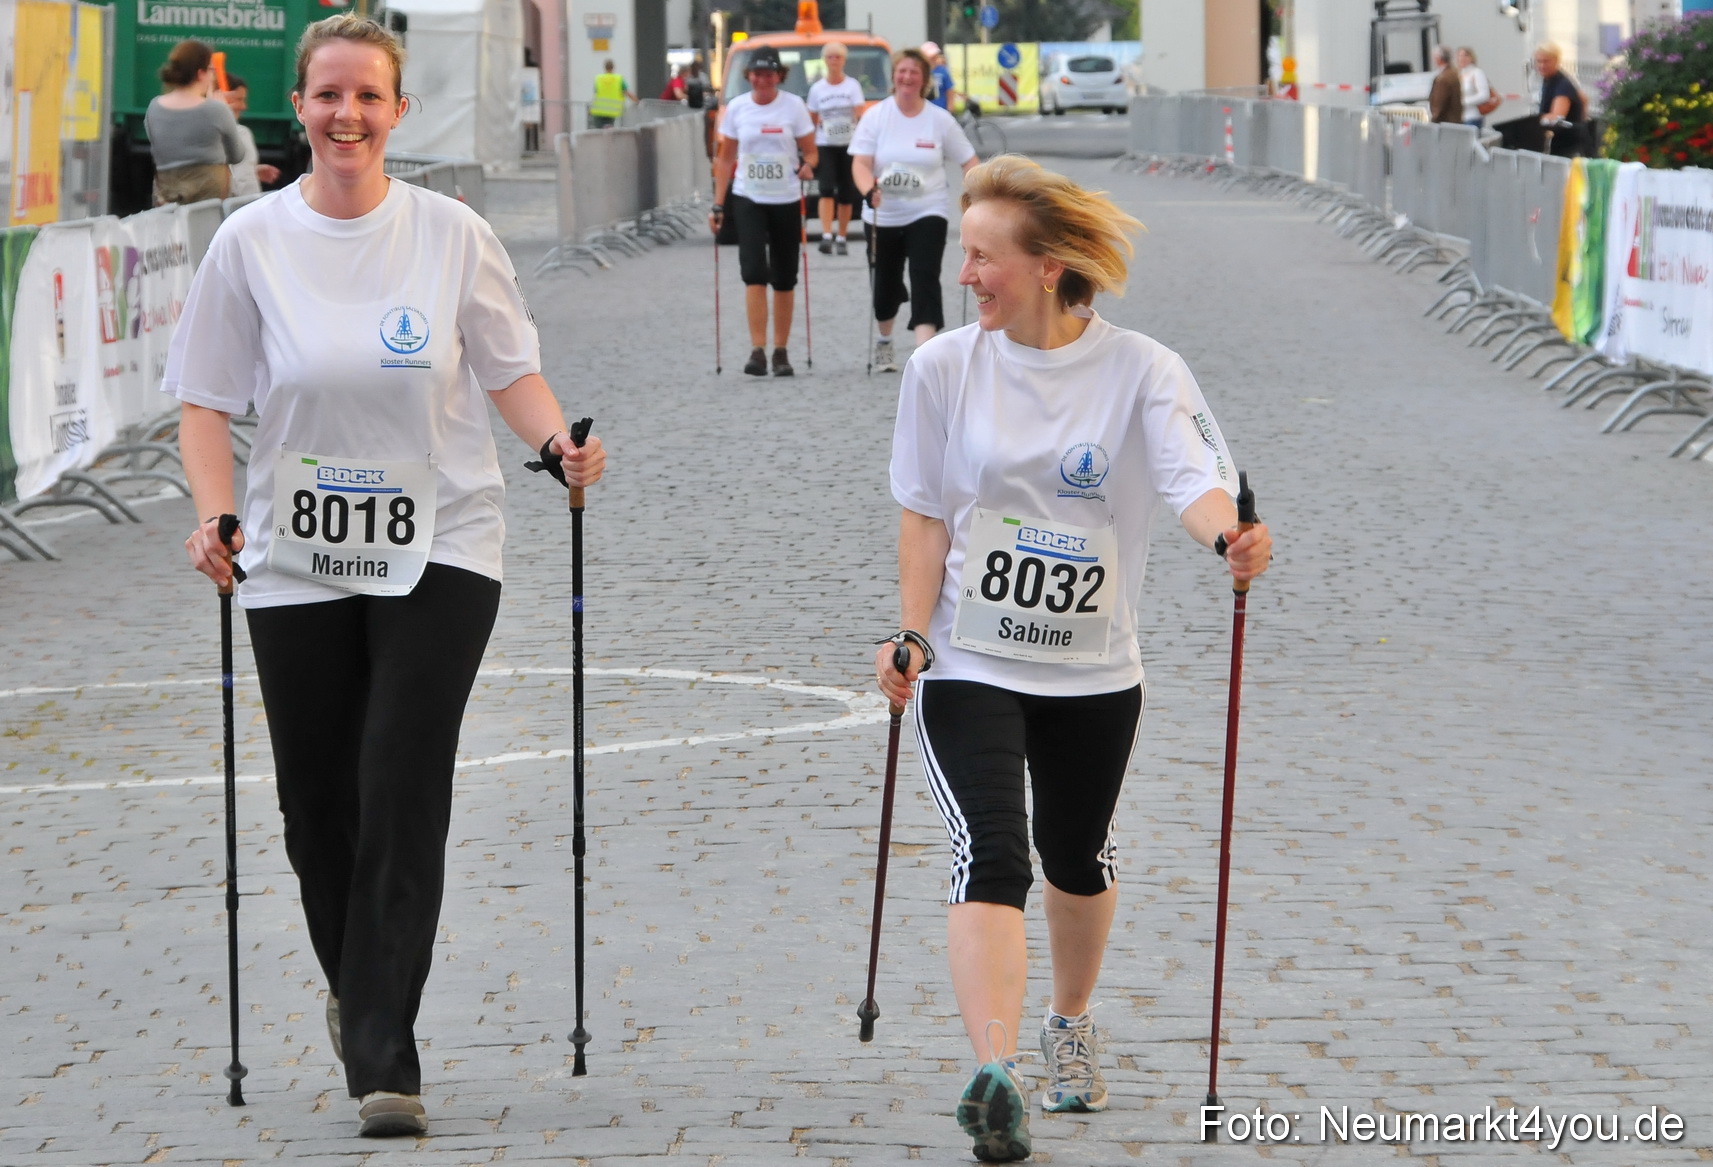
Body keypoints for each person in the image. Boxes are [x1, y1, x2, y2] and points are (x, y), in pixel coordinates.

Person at [166, 14, 606, 1139]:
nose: (346, 115)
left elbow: (514, 372)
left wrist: (559, 448)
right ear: (298, 109)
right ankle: (360, 987)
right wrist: (215, 515)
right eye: (327, 96)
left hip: (443, 542)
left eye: (368, 97)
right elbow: (207, 400)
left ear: (398, 112)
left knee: (400, 778)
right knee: (320, 810)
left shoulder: (451, 233)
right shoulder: (249, 243)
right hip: (296, 556)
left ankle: (383, 1046)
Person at [875, 155, 1272, 1162]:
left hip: (1095, 669)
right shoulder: (943, 370)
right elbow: (924, 518)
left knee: (1077, 856)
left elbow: (1194, 479)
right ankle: (996, 1072)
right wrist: (915, 629)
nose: (965, 275)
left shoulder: (1142, 368)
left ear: (1049, 265)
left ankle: (1072, 1020)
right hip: (969, 660)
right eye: (962, 254)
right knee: (992, 852)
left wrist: (1228, 538)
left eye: (982, 256)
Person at [850, 48, 976, 373]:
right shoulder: (876, 116)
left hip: (928, 209)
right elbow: (861, 164)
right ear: (893, 77)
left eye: (914, 73)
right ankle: (885, 339)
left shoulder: (939, 120)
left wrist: (978, 195)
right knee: (885, 284)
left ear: (924, 80)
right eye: (902, 72)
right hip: (884, 213)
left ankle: (924, 353)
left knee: (925, 275)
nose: (907, 78)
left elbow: (969, 161)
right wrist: (869, 190)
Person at [708, 46, 817, 377]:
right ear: (749, 76)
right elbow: (726, 159)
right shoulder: (737, 109)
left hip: (785, 197)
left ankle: (781, 351)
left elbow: (811, 153)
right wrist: (718, 203)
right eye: (756, 74)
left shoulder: (794, 107)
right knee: (754, 270)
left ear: (778, 76)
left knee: (785, 276)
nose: (762, 80)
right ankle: (757, 350)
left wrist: (808, 167)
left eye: (768, 74)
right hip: (749, 197)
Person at [145, 40, 245, 205]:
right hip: (209, 196)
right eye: (211, 70)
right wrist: (225, 114)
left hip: (166, 192)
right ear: (200, 73)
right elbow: (237, 155)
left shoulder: (154, 107)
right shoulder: (217, 110)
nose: (213, 77)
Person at [807, 41, 864, 255]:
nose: (834, 61)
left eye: (838, 57)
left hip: (848, 145)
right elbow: (811, 119)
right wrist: (808, 147)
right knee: (826, 189)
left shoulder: (852, 86)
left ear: (844, 61)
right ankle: (826, 234)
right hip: (826, 144)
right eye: (830, 57)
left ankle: (841, 235)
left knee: (847, 192)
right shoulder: (817, 89)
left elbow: (859, 115)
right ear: (824, 60)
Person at [217, 75, 283, 197]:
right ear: (222, 98)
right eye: (239, 99)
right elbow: (241, 180)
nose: (244, 106)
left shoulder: (241, 133)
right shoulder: (239, 133)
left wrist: (253, 171)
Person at [1534, 43, 1587, 157]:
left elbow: (1557, 116)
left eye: (1546, 61)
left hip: (1568, 145)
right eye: (1539, 61)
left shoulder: (1562, 84)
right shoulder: (1549, 79)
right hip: (1568, 142)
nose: (1542, 65)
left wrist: (1532, 122)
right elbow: (1583, 98)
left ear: (1556, 60)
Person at [1457, 46, 1496, 131]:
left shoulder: (1477, 73)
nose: (1462, 58)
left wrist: (1463, 102)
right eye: (1459, 56)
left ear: (1471, 57)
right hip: (1461, 117)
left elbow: (1484, 95)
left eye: (1465, 55)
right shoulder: (1459, 75)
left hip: (1473, 116)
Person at [591, 58, 637, 128]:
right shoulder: (619, 79)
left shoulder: (598, 78)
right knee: (609, 132)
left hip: (599, 110)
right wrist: (637, 101)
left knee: (598, 132)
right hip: (612, 110)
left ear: (605, 67)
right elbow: (627, 93)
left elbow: (596, 92)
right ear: (613, 67)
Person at [1428, 45, 1463, 125]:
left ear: (1438, 58)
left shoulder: (1443, 79)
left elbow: (1439, 102)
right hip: (1455, 120)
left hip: (1446, 123)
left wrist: (1433, 119)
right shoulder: (1454, 73)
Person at [922, 40, 956, 112]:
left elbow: (949, 90)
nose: (933, 57)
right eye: (930, 55)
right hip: (924, 110)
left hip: (941, 109)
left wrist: (950, 108)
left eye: (935, 55)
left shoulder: (942, 71)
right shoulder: (920, 71)